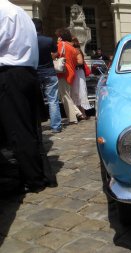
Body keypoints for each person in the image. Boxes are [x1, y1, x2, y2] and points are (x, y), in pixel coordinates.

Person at [0, 0, 56, 192]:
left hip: (10, 74)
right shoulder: (20, 12)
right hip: (26, 73)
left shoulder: (3, 11)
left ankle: (32, 179)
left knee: (18, 130)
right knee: (29, 129)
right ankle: (35, 175)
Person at [32, 18, 62, 133]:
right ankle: (56, 127)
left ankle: (36, 127)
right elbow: (56, 53)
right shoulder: (49, 40)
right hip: (49, 72)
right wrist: (50, 58)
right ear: (42, 27)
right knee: (53, 100)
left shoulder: (28, 40)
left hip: (34, 73)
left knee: (33, 100)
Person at [55, 28, 84, 124]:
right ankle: (77, 112)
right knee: (66, 95)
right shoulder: (73, 48)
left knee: (64, 96)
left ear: (61, 37)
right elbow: (76, 62)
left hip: (63, 73)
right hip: (71, 73)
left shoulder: (60, 45)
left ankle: (73, 118)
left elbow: (54, 55)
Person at [71, 37, 92, 119]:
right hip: (77, 72)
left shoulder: (77, 50)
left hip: (78, 72)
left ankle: (82, 113)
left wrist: (71, 61)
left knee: (79, 92)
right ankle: (81, 113)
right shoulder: (76, 50)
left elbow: (80, 62)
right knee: (77, 92)